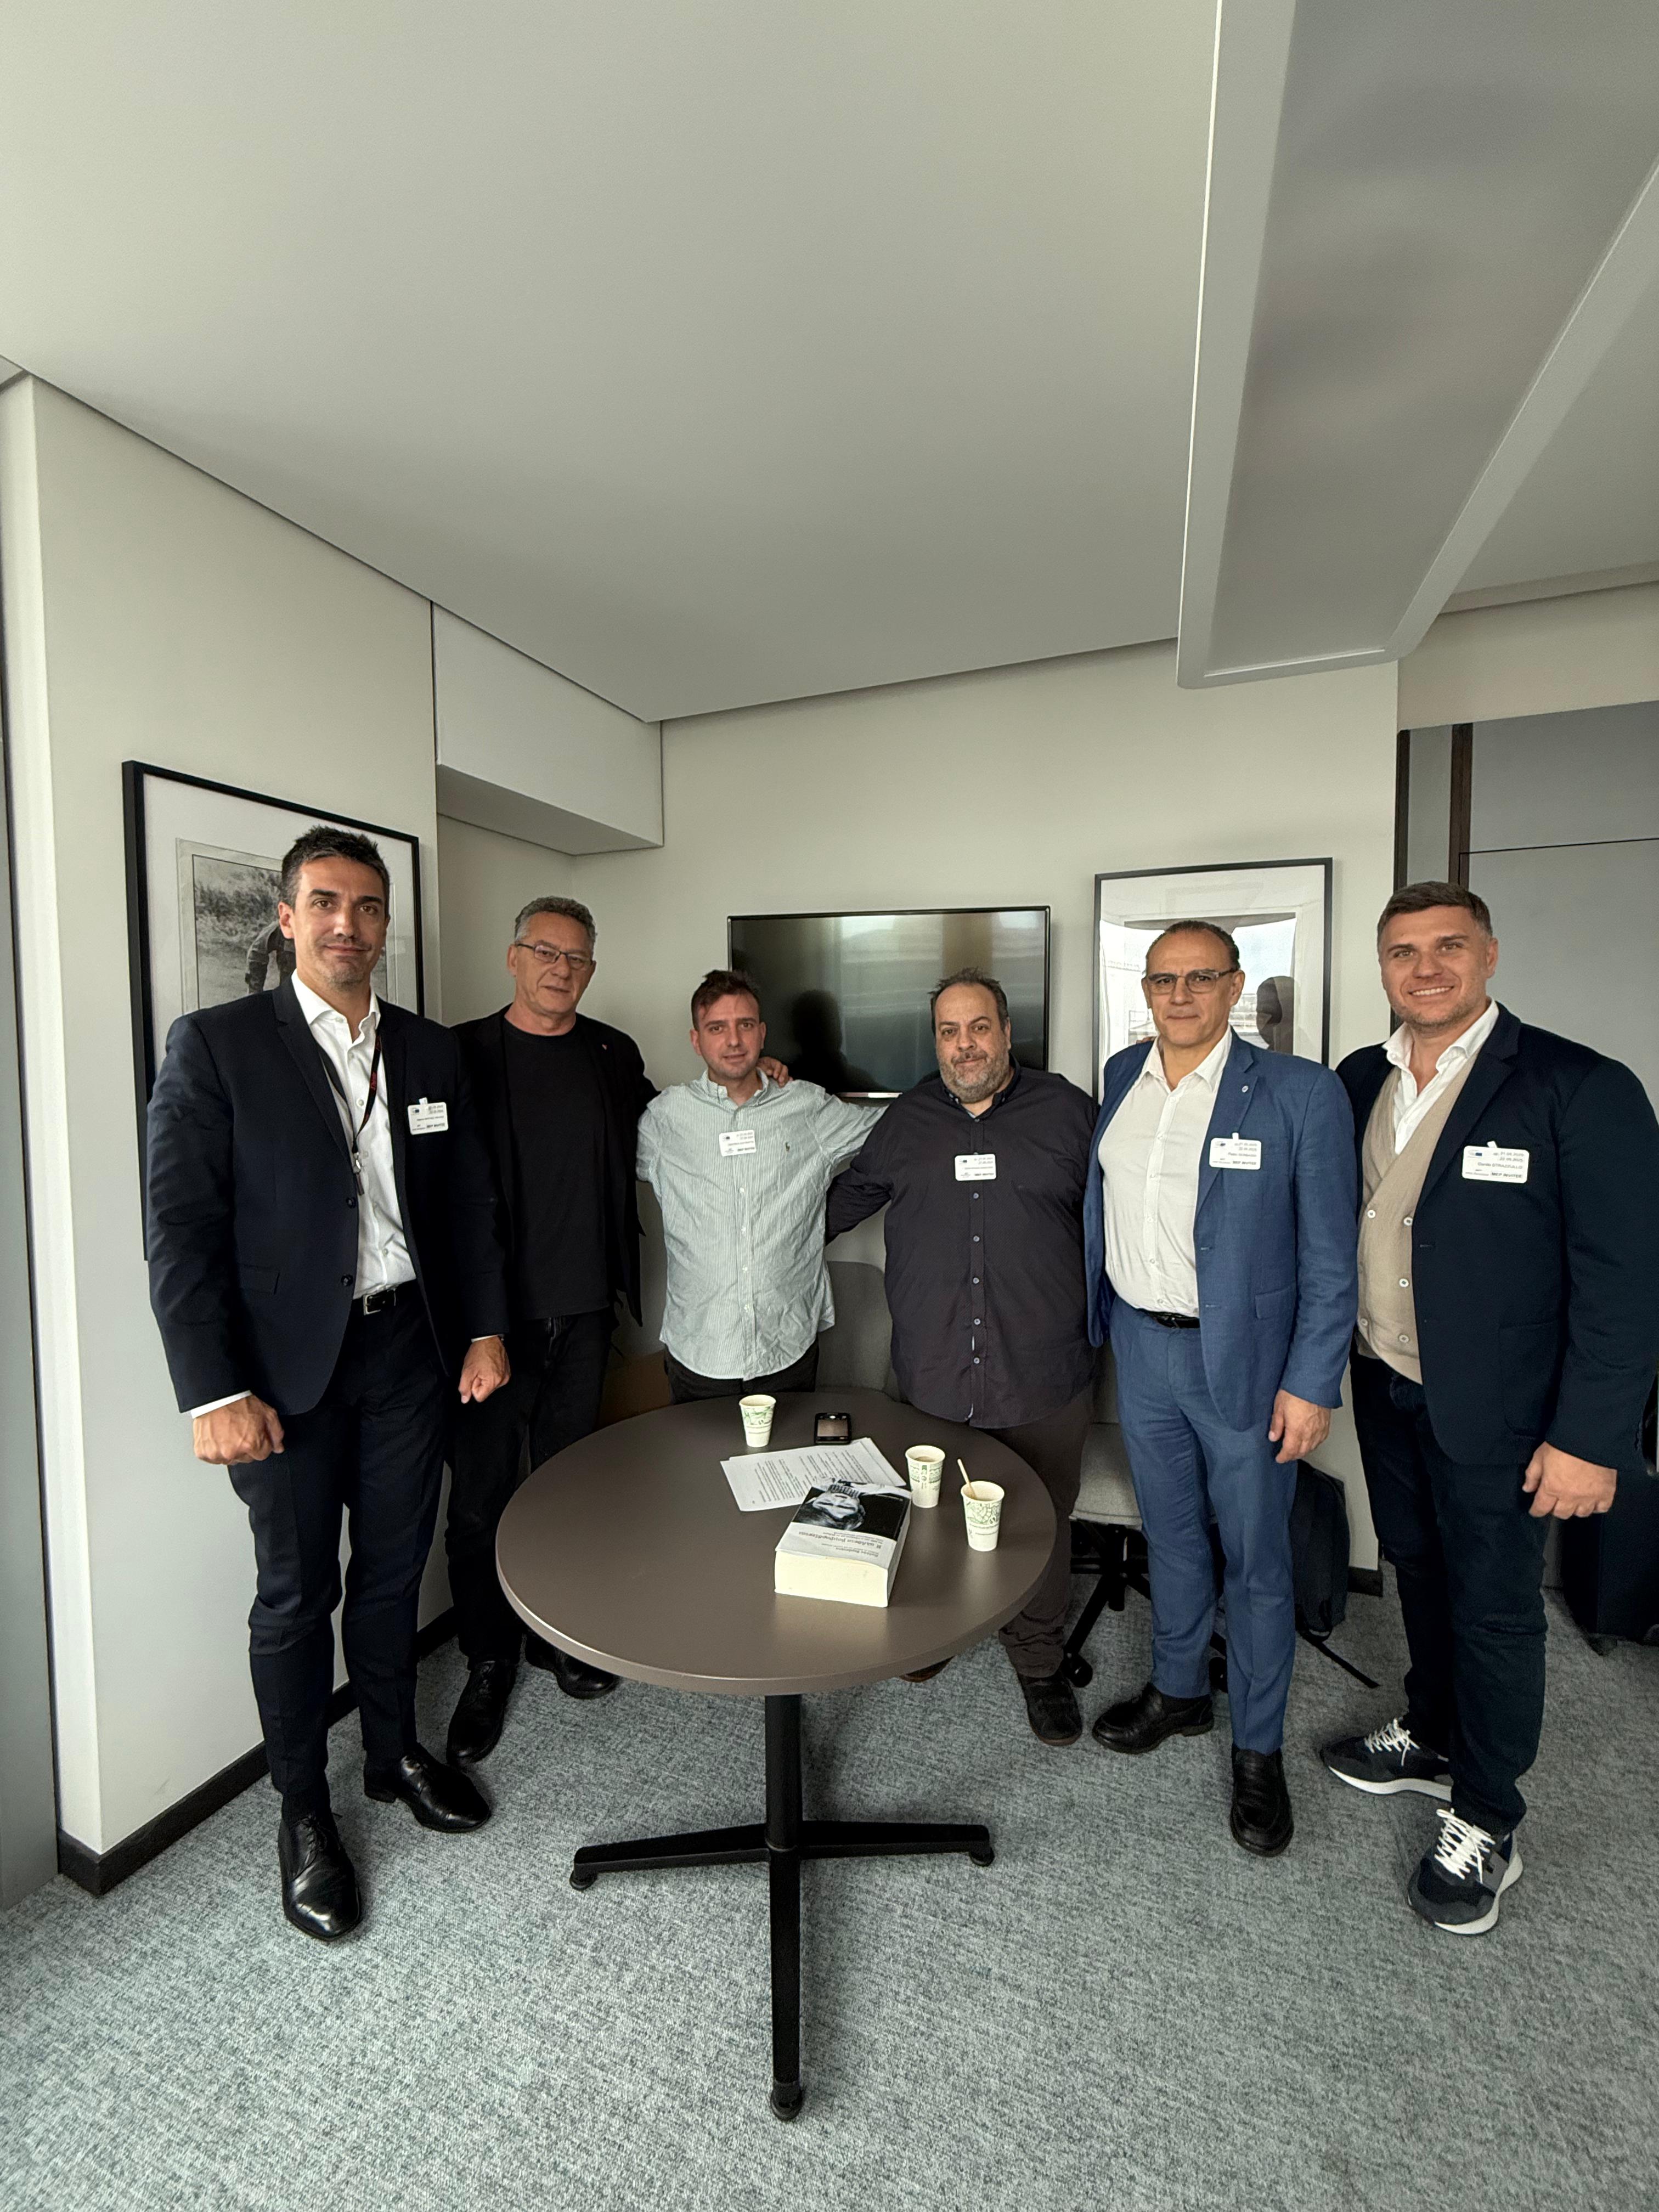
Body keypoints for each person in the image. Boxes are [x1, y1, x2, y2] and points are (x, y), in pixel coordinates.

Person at [145, 827, 510, 1944]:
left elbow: (466, 1204)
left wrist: (483, 1329)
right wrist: (212, 1391)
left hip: (410, 1351)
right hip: (283, 1374)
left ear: (386, 922)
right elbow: (181, 1230)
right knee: (297, 1595)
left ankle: (392, 1753)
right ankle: (303, 1809)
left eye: (367, 905)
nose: (348, 923)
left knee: (393, 1573)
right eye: (325, 902)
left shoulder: (428, 1051)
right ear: (287, 916)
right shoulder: (217, 1046)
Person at [1322, 881, 1659, 1933]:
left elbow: (1623, 1282)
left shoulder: (1574, 1085)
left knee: (1495, 1607)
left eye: (1446, 947)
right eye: (1402, 951)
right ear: (1381, 967)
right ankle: (1429, 1728)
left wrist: (1589, 1438)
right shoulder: (1359, 1079)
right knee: (1416, 1569)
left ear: (1488, 955)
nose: (1423, 969)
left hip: (1504, 1412)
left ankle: (1485, 1814)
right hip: (1385, 1383)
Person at [1084, 921, 1357, 1857]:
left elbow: (1330, 1257)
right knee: (1168, 1536)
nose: (1180, 994)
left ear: (1235, 986)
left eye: (1200, 977)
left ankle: (1257, 1748)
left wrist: (1311, 1381)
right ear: (1145, 990)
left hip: (1243, 1361)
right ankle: (1178, 1691)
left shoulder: (1299, 1092)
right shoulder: (1122, 1074)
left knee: (1256, 1560)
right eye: (1163, 979)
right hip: (1140, 1345)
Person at [826, 968, 1097, 1745]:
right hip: (937, 1366)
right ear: (936, 1042)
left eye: (979, 1028)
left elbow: (1125, 1216)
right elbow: (841, 1204)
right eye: (949, 1031)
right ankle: (940, 1631)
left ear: (1007, 1032)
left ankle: (1038, 1662)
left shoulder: (1068, 1112)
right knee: (938, 1514)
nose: (965, 1045)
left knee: (1040, 1520)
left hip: (1043, 1367)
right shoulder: (906, 1121)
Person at [442, 896, 657, 1767]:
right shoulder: (460, 1053)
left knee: (570, 1488)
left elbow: (668, 1129)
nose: (561, 969)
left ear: (592, 970)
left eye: (576, 958)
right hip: (493, 1328)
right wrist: (480, 1326)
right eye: (545, 951)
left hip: (587, 1309)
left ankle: (556, 1635)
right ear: (513, 957)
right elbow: (436, 1194)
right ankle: (488, 1660)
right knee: (483, 1498)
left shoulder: (613, 1053)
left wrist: (755, 1084)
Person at [637, 969, 882, 1402]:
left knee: (788, 1449)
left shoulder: (807, 1107)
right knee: (695, 1450)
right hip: (700, 1349)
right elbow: (598, 1162)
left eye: (745, 1025)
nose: (734, 1040)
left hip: (786, 1346)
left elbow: (891, 1132)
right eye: (717, 1028)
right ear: (696, 1040)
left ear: (763, 1033)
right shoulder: (664, 1120)